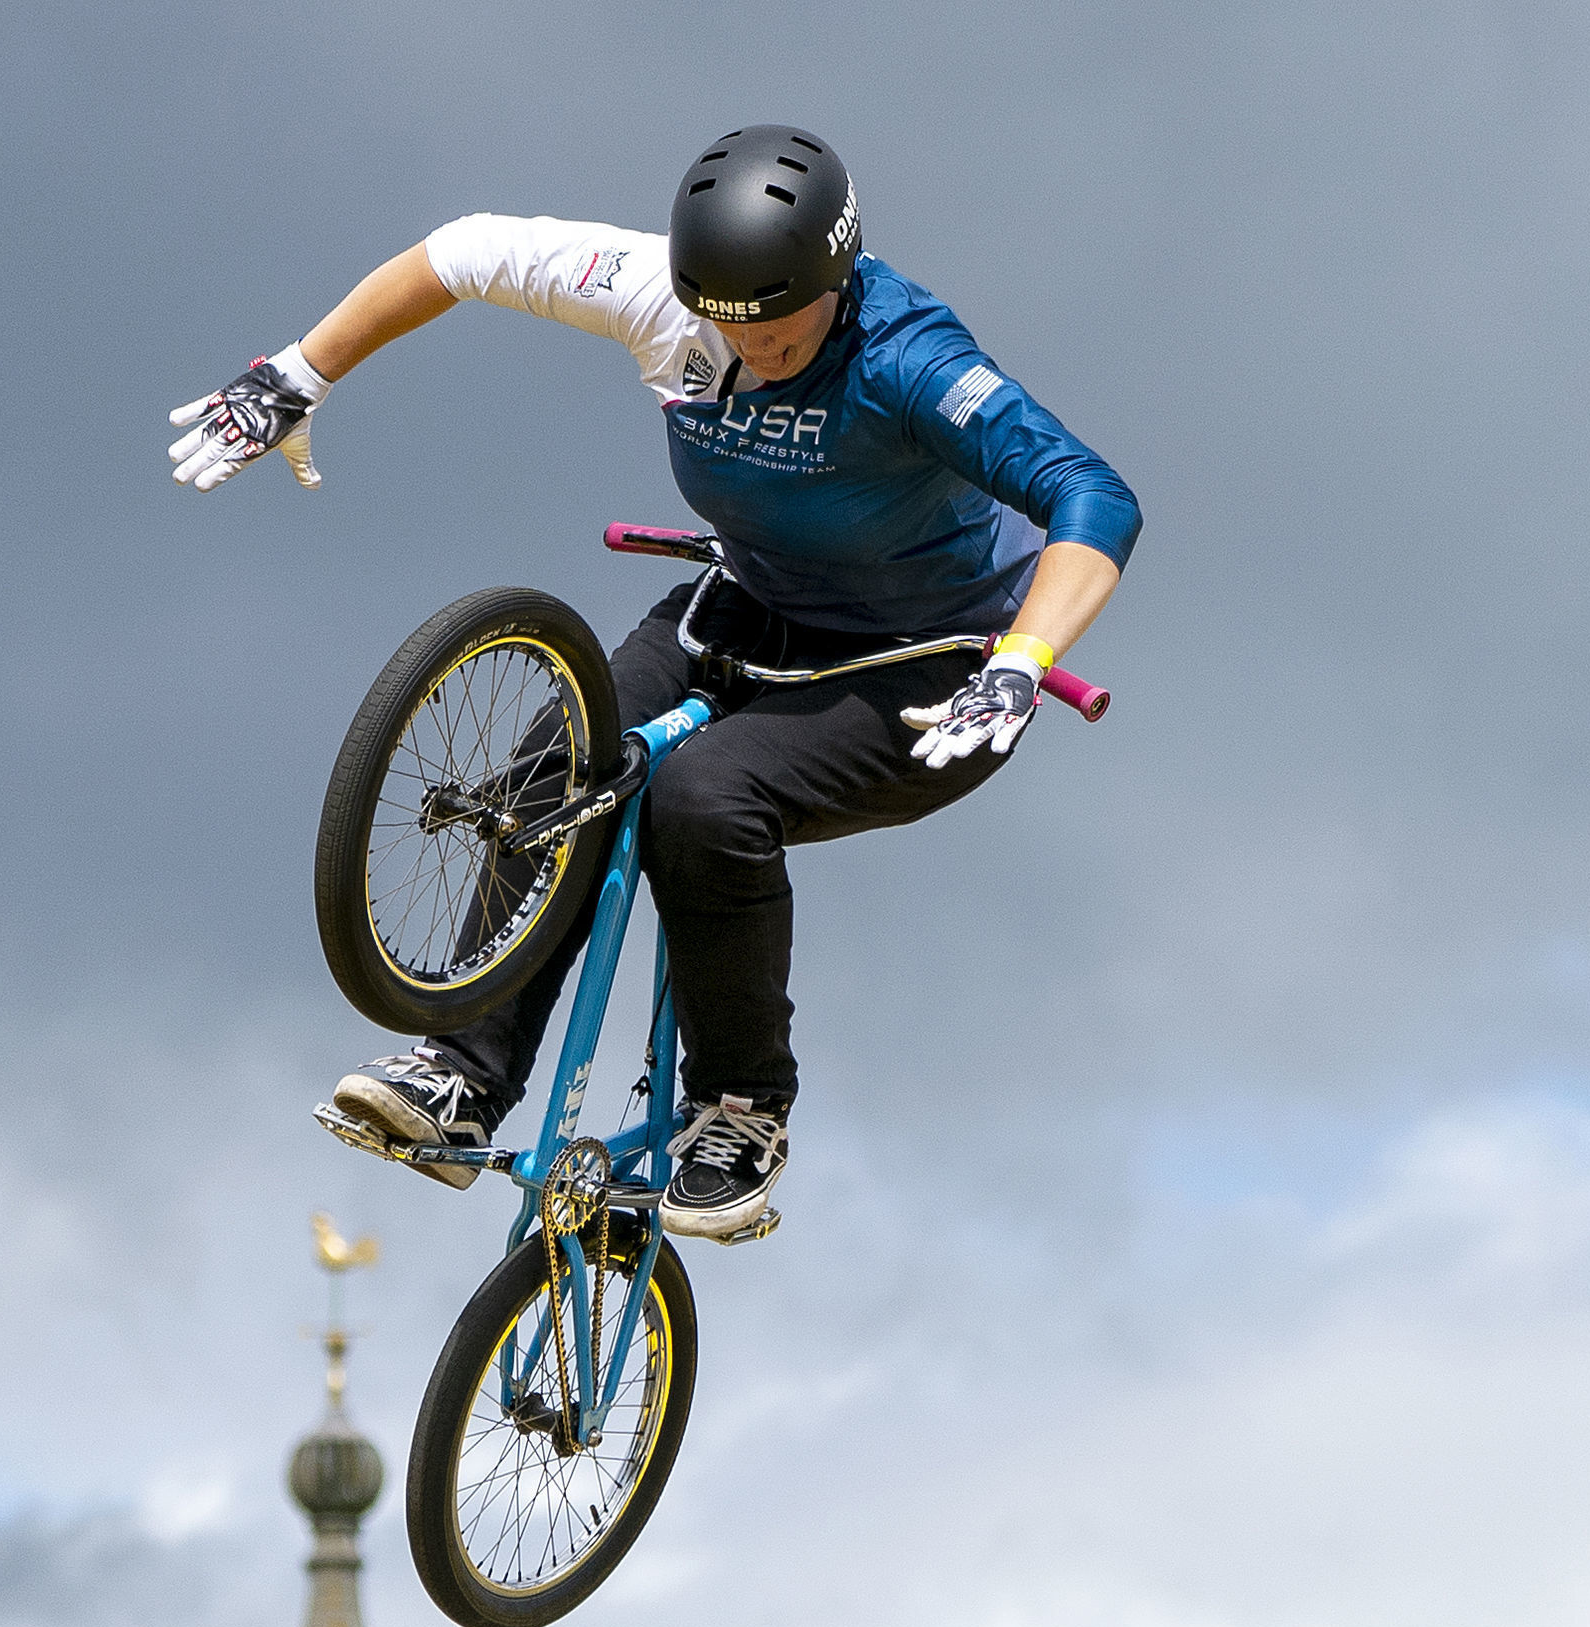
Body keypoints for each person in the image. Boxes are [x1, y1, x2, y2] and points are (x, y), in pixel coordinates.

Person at [168, 126, 1140, 1239]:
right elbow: (460, 253)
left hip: (925, 667)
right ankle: (463, 1073)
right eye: (726, 320)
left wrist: (1023, 659)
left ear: (835, 282)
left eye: (777, 323)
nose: (751, 344)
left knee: (701, 801)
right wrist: (295, 373)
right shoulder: (654, 296)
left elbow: (1093, 497)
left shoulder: (910, 362)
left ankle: (739, 1108)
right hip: (746, 602)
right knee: (561, 758)